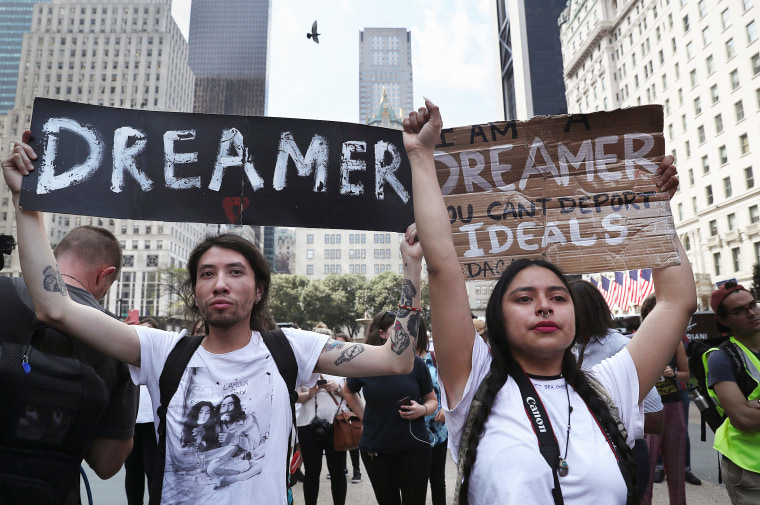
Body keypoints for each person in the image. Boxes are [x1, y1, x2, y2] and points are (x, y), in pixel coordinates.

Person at [1, 130, 422, 505]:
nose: (220, 283)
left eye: (235, 272)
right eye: (207, 274)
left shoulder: (294, 347)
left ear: (258, 290)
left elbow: (395, 360)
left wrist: (412, 268)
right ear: (196, 292)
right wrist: (25, 204)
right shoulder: (159, 351)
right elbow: (54, 306)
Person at [404, 99, 696, 504]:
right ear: (497, 319)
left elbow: (675, 302)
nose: (544, 306)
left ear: (574, 315)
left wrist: (656, 209)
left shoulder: (610, 386)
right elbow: (443, 266)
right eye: (524, 298)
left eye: (557, 297)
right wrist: (420, 155)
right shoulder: (473, 384)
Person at [0, 223, 137, 504]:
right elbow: (107, 463)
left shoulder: (2, 292)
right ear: (105, 275)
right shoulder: (118, 341)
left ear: (50, 254)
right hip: (49, 492)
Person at [570, 280, 664, 502]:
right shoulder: (570, 348)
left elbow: (655, 417)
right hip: (586, 458)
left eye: (564, 304)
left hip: (623, 455)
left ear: (584, 311)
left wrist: (598, 417)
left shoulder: (621, 348)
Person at [344, 310, 438, 505]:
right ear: (381, 333)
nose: (404, 333)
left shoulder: (416, 363)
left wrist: (423, 409)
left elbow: (432, 400)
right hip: (377, 449)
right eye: (397, 329)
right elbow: (348, 391)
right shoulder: (364, 364)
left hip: (415, 448)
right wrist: (364, 417)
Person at [706, 281, 760, 504]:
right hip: (749, 468)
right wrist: (747, 409)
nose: (751, 313)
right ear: (724, 320)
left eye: (753, 305)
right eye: (739, 311)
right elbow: (742, 418)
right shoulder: (721, 358)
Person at [637, 294, 690, 505]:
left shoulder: (674, 340)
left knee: (676, 468)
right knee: (647, 468)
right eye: (654, 312)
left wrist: (673, 374)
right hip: (648, 409)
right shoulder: (636, 340)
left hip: (673, 404)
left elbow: (687, 374)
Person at [295, 324, 348, 505]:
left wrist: (337, 388)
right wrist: (310, 392)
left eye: (328, 343)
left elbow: (352, 394)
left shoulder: (342, 366)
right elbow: (296, 397)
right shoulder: (303, 368)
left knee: (338, 472)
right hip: (308, 425)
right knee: (312, 473)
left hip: (336, 423)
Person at [124, 317, 161, 505]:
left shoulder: (160, 359)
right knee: (132, 471)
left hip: (151, 424)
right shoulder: (128, 358)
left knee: (153, 471)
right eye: (141, 331)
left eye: (150, 332)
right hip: (131, 424)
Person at [416, 318, 448, 505]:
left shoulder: (436, 359)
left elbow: (453, 390)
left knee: (437, 480)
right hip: (411, 431)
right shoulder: (399, 363)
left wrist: (446, 409)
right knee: (414, 483)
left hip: (437, 430)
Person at [334, 332, 362, 484]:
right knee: (341, 438)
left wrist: (337, 388)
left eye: (342, 343)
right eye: (336, 343)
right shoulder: (333, 363)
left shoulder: (353, 365)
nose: (339, 346)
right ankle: (343, 468)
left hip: (349, 408)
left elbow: (354, 391)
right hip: (337, 410)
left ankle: (356, 470)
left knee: (353, 439)